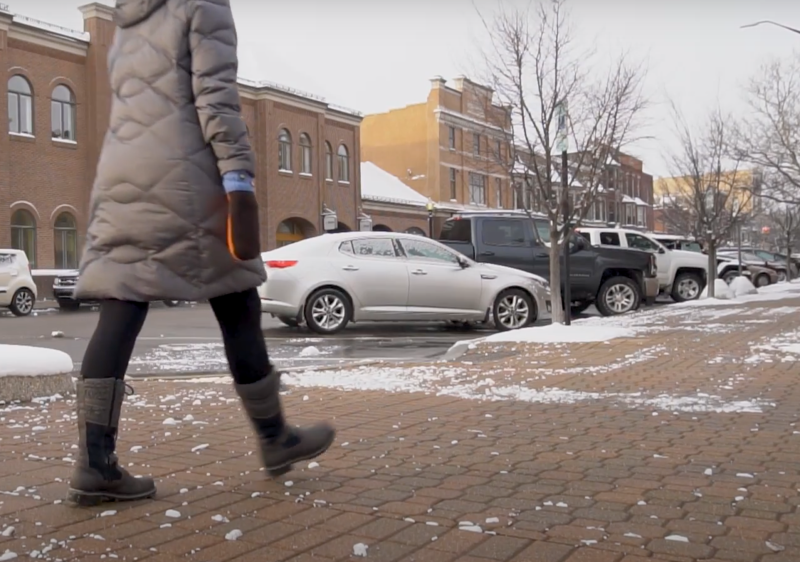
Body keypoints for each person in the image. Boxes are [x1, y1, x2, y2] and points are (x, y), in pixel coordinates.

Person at [67, 0, 335, 507]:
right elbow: (215, 96)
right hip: (186, 174)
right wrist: (238, 179)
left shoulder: (129, 17)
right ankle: (275, 438)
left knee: (122, 304)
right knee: (238, 300)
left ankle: (94, 463)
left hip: (122, 174)